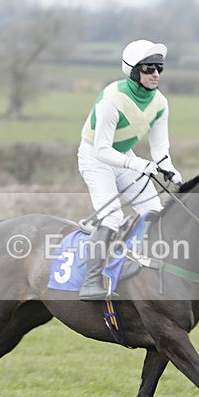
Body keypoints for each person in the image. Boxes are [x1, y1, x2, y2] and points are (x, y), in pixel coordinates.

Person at [77, 39, 182, 301]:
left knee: (155, 213)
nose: (156, 73)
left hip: (124, 157)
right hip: (95, 158)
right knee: (111, 218)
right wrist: (137, 163)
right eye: (149, 68)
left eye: (159, 68)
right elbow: (102, 150)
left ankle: (142, 268)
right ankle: (90, 282)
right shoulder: (112, 100)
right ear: (134, 71)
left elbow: (160, 150)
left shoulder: (160, 103)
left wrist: (168, 167)